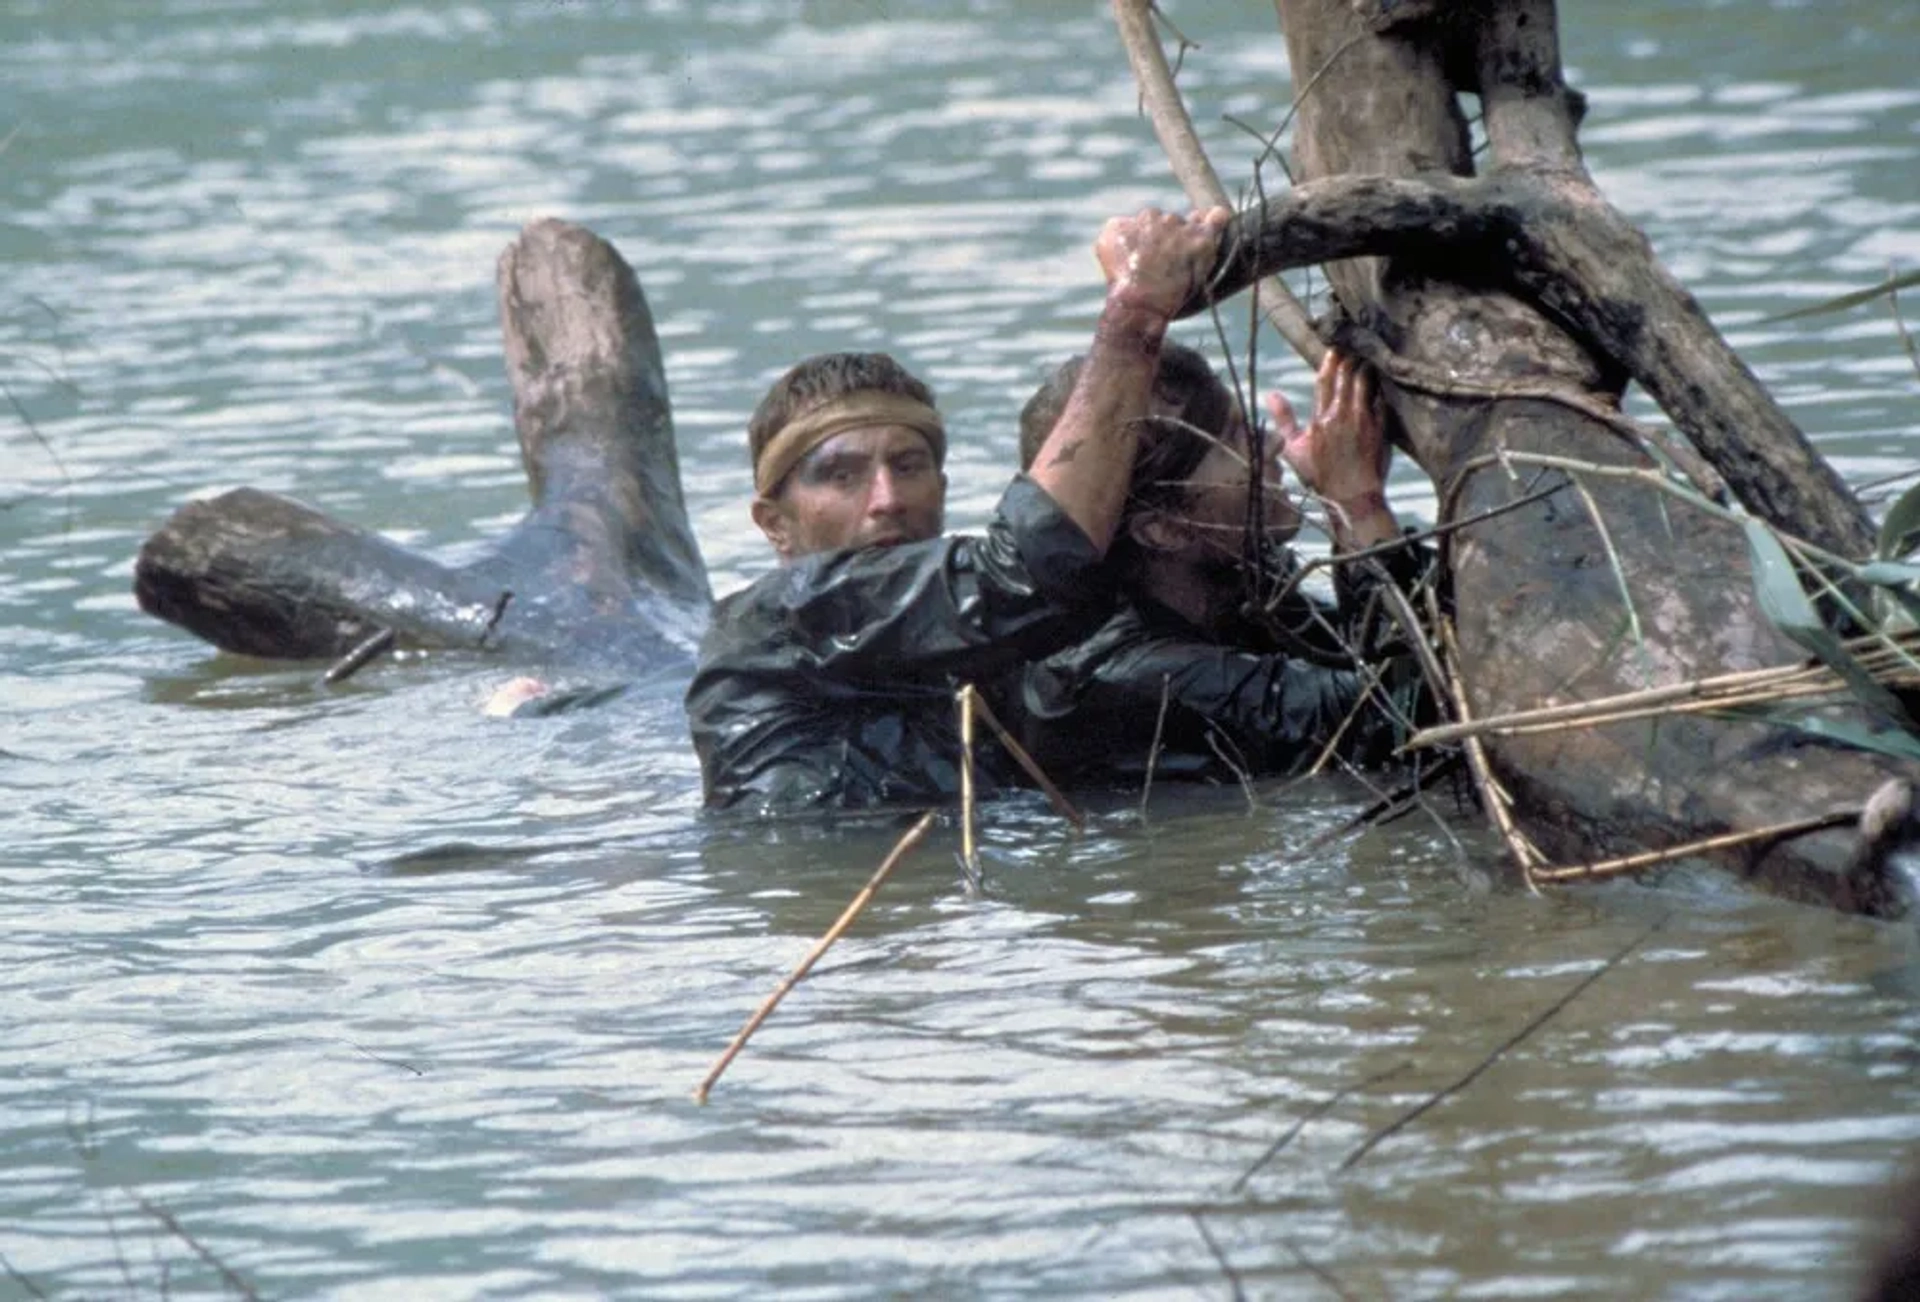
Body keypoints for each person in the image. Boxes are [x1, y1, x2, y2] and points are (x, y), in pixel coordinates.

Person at [685, 205, 1232, 812]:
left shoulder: (970, 657)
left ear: (943, 490)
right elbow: (1025, 573)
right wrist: (1135, 314)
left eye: (909, 466)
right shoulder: (774, 624)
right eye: (842, 476)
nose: (888, 501)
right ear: (774, 524)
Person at [1010, 344, 1432, 790]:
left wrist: (1345, 513)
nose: (1271, 443)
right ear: (1164, 529)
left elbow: (1370, 655)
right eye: (1233, 438)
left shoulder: (1231, 582)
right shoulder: (1133, 678)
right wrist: (1358, 505)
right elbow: (1403, 719)